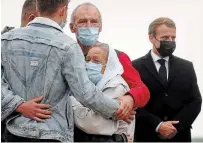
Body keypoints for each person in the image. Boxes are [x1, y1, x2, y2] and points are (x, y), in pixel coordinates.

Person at [1, 0, 134, 142]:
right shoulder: (68, 46)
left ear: (38, 9)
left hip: (14, 132)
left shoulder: (5, 40)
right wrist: (117, 110)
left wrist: (19, 105)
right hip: (53, 134)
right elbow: (86, 94)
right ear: (63, 11)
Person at [69, 3, 150, 141]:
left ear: (100, 27)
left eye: (94, 21)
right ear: (72, 27)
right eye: (82, 21)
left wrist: (129, 99)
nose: (89, 26)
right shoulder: (65, 56)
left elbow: (142, 90)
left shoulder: (116, 58)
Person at [132, 17, 202, 142]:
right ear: (151, 38)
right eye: (165, 38)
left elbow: (195, 101)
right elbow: (133, 104)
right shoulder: (135, 67)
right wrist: (158, 126)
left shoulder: (186, 67)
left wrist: (175, 127)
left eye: (173, 38)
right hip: (147, 136)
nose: (170, 41)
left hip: (180, 137)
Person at [1, 0, 47, 142]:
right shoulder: (3, 47)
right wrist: (19, 105)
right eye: (49, 25)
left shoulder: (48, 50)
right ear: (32, 20)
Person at [71, 43, 135, 142]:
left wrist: (69, 104)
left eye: (96, 60)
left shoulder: (115, 86)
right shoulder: (91, 85)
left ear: (109, 64)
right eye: (87, 60)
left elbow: (93, 123)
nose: (89, 64)